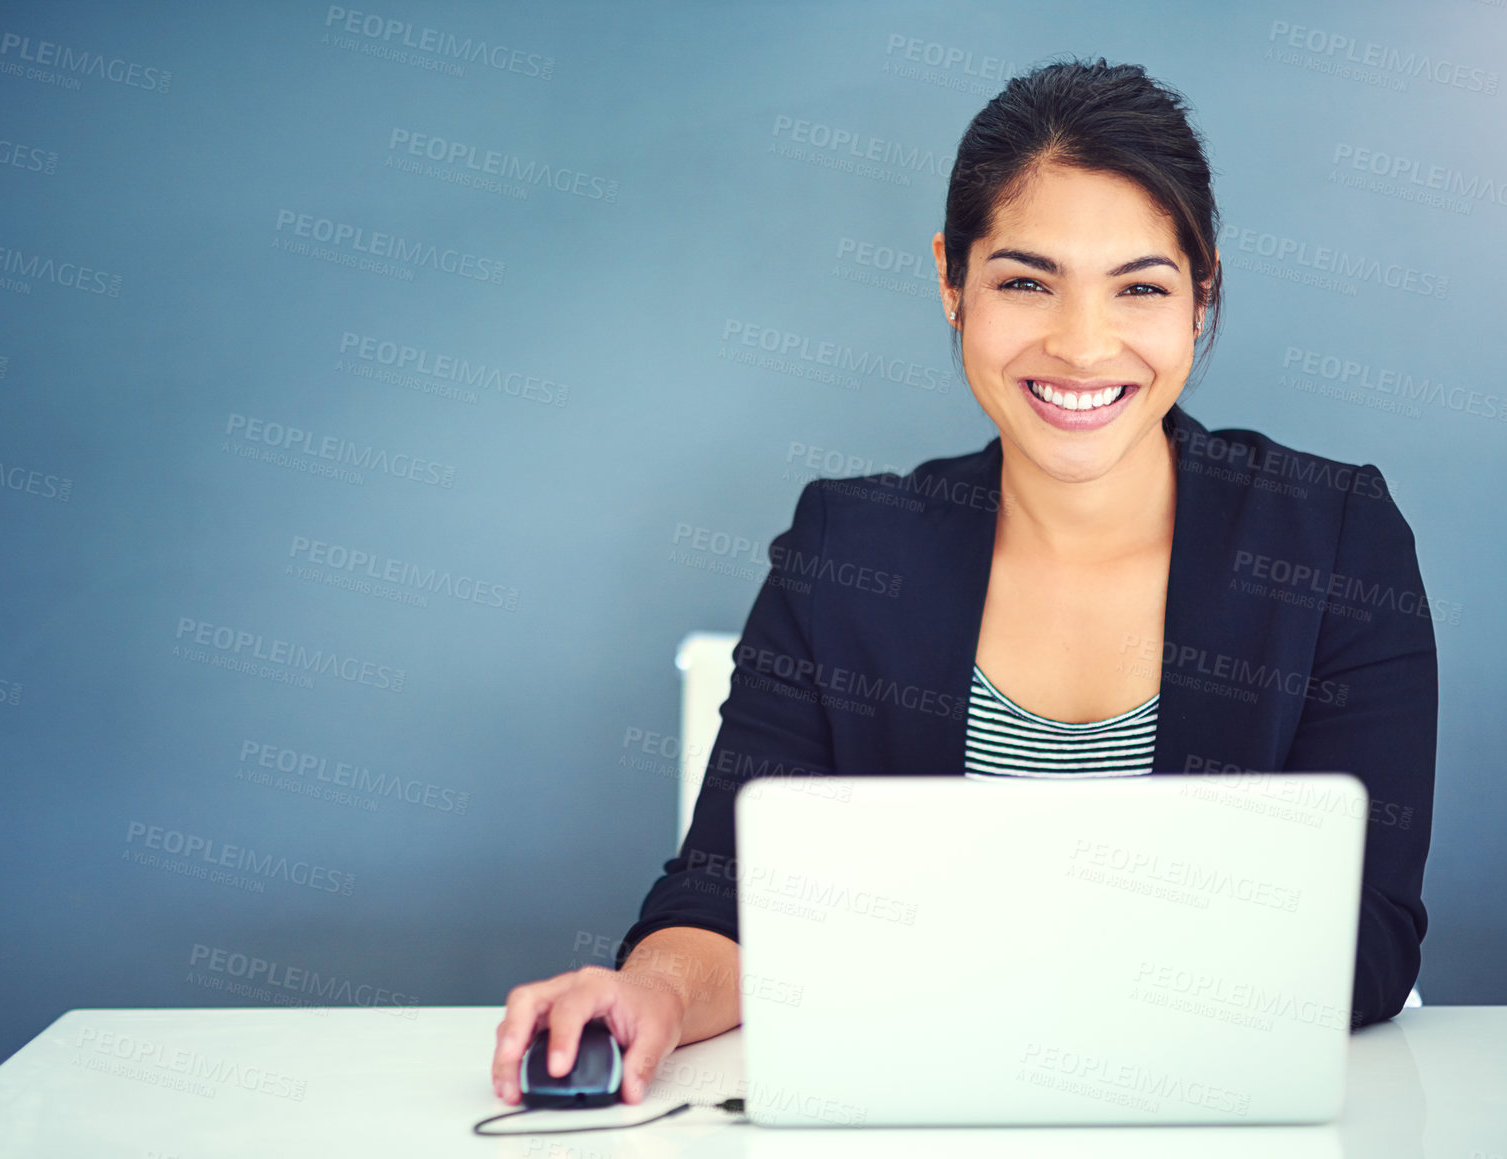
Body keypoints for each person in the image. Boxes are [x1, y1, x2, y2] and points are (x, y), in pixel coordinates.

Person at [492, 57, 1437, 1107]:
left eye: (1141, 286)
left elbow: (1367, 943)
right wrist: (652, 990)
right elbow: (721, 902)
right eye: (1026, 281)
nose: (1082, 346)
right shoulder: (848, 553)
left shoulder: (1334, 543)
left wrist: (942, 960)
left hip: (1224, 1115)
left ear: (1202, 296)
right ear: (952, 280)